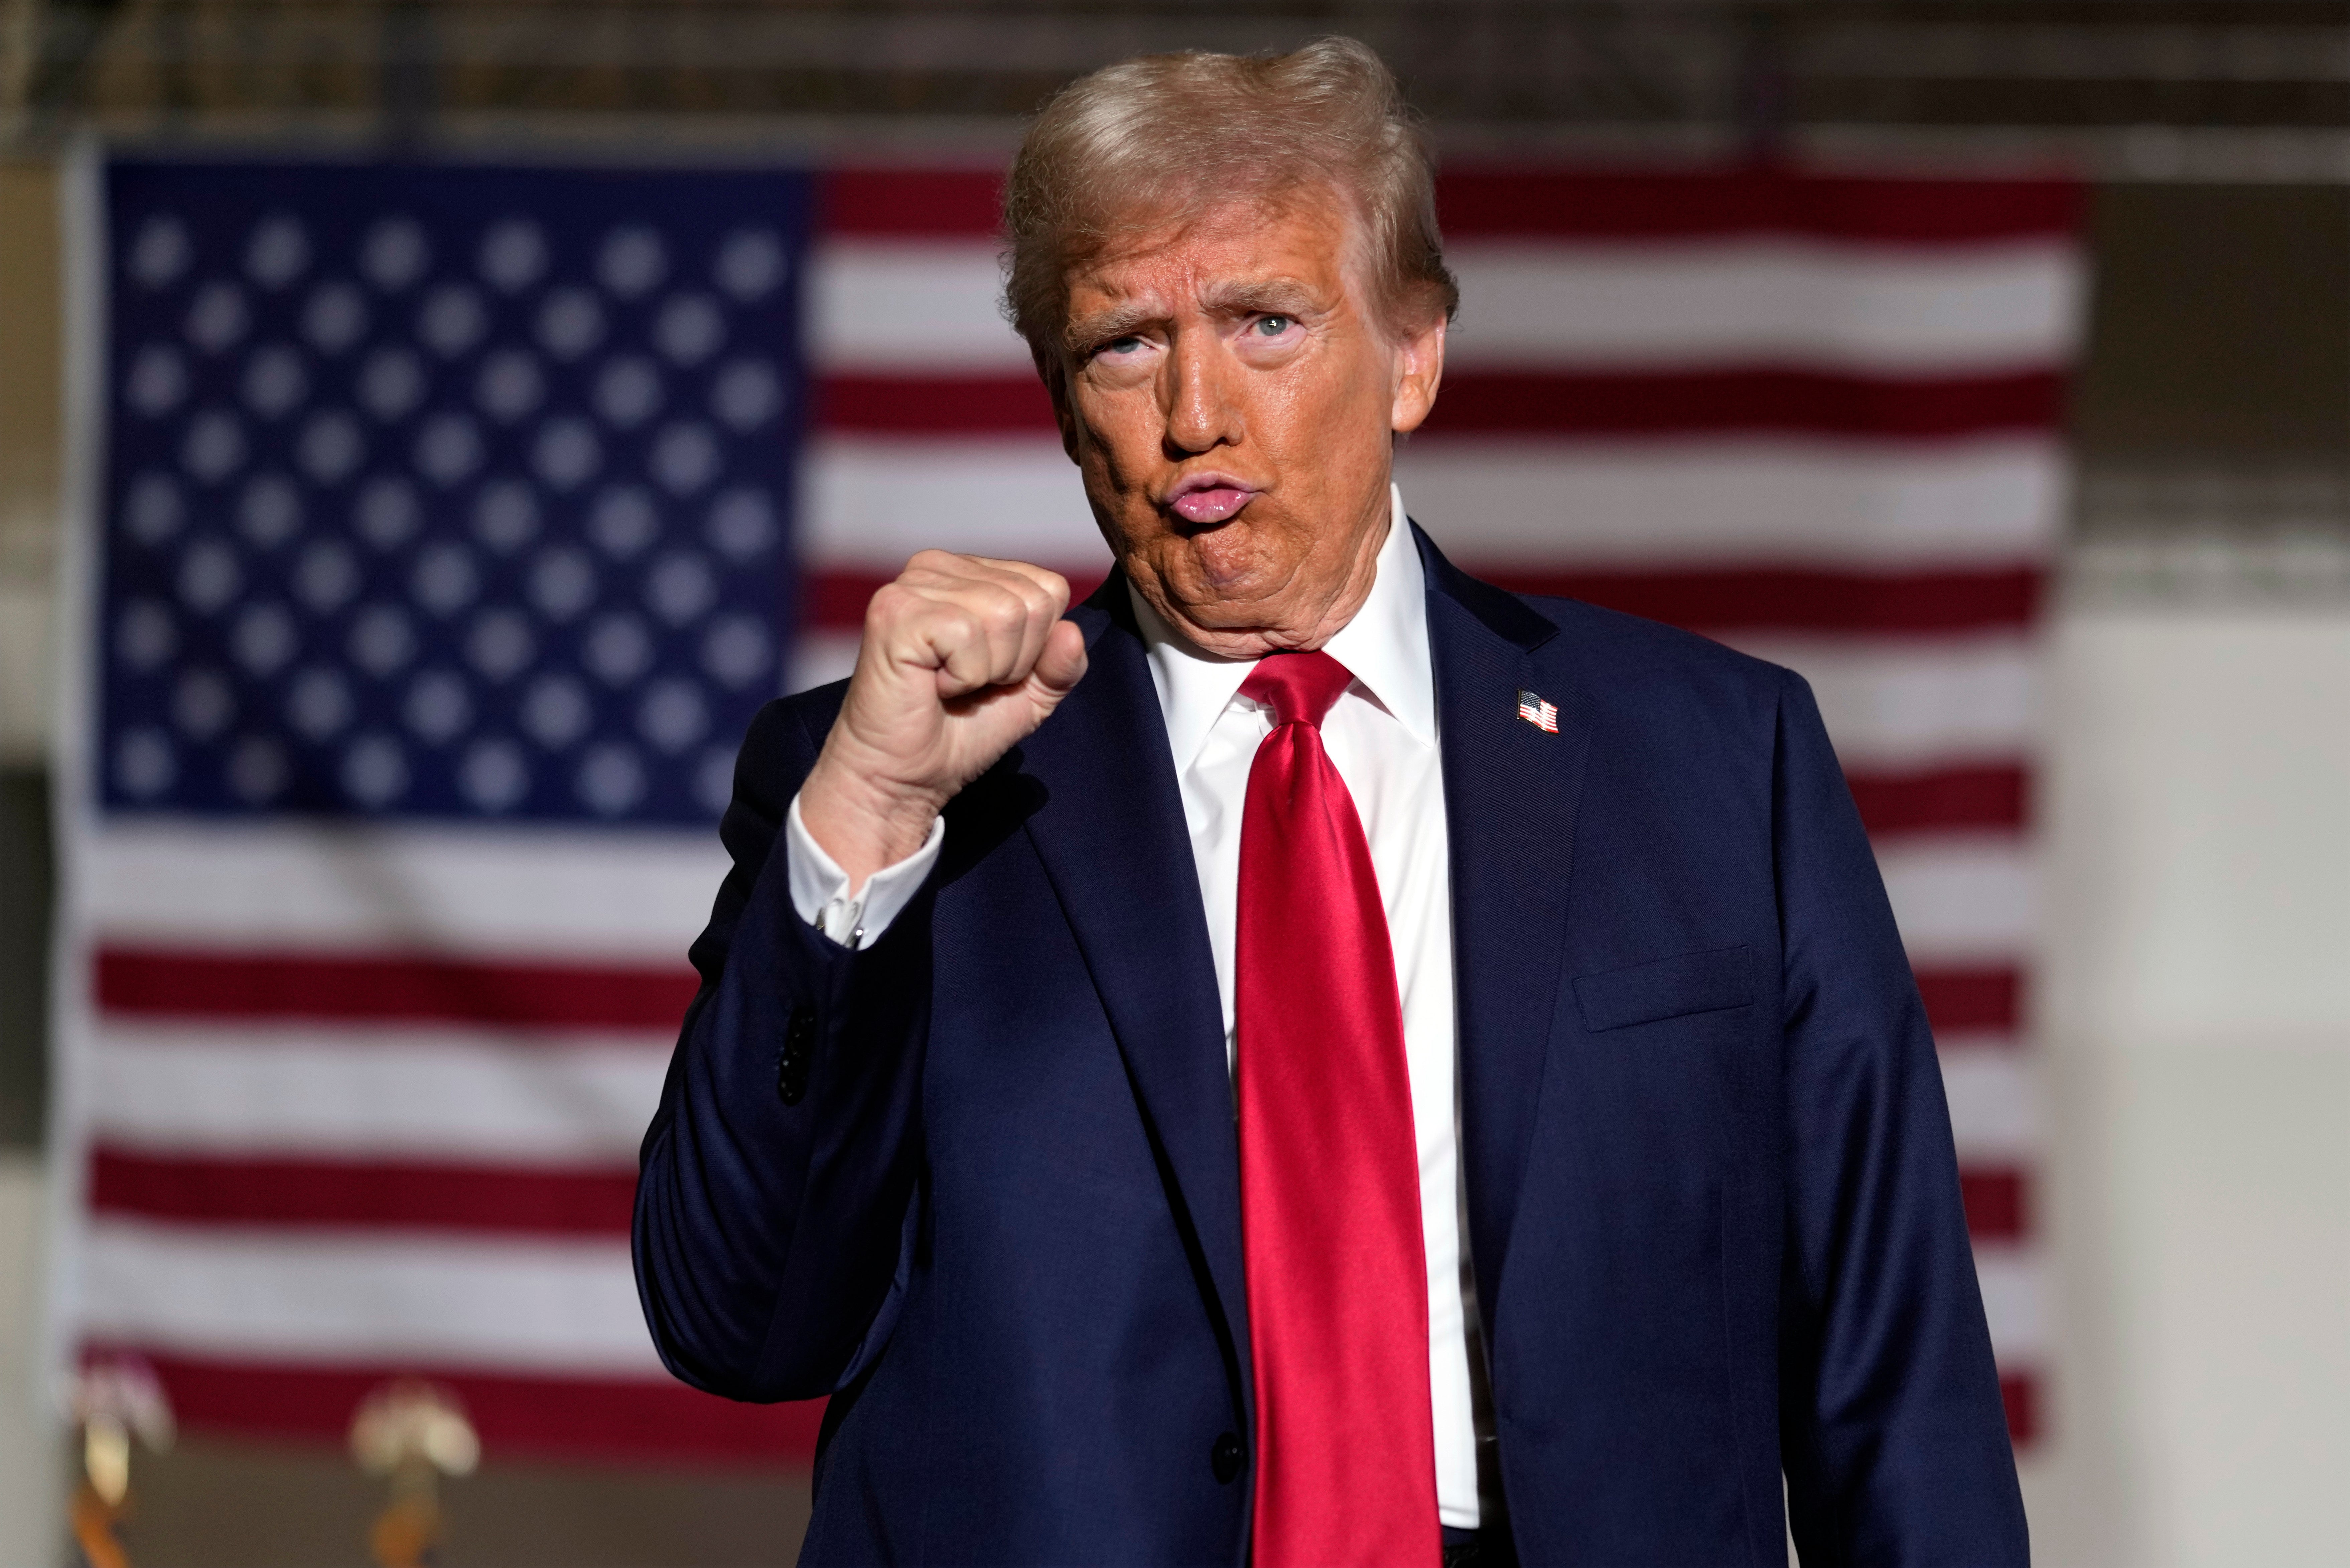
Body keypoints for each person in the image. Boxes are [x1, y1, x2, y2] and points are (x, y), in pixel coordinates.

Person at [634, 38, 2027, 1568]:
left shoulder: (1716, 761)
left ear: (1414, 354)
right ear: (1058, 400)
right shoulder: (890, 784)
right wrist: (874, 808)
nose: (1195, 412)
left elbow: (1895, 1391)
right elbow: (736, 1323)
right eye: (1122, 345)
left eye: (1266, 323)